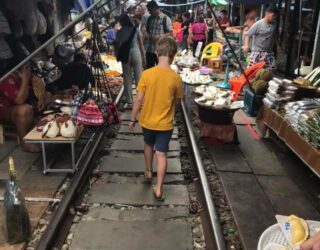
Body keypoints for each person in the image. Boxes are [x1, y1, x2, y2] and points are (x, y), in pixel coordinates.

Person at [129, 37, 183, 201]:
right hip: (165, 125)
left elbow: (138, 99)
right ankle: (159, 188)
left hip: (147, 121)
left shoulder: (147, 74)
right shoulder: (176, 78)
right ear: (173, 55)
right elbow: (178, 102)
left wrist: (132, 119)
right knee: (162, 155)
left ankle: (147, 171)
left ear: (156, 53)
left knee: (148, 144)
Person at [0, 65, 47, 152]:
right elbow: (19, 100)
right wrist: (25, 79)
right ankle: (24, 142)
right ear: (18, 70)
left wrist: (42, 98)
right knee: (24, 110)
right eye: (26, 68)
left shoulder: (30, 77)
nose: (29, 70)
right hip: (5, 110)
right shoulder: (7, 80)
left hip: (27, 107)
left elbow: (40, 90)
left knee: (49, 97)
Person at [115, 14, 145, 108]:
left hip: (126, 56)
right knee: (139, 77)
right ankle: (140, 100)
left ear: (122, 22)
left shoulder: (119, 32)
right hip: (136, 53)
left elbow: (117, 46)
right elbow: (141, 44)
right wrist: (144, 57)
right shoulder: (135, 29)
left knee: (127, 78)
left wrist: (117, 55)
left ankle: (130, 102)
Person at [242, 6, 278, 71]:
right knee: (252, 72)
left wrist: (278, 45)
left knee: (270, 71)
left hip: (269, 52)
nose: (274, 17)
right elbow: (247, 35)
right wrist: (246, 45)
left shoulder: (274, 24)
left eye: (276, 16)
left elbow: (273, 35)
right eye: (273, 15)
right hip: (257, 52)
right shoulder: (258, 24)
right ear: (267, 13)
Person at [144, 0, 172, 68]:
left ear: (155, 8)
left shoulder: (165, 19)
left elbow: (170, 33)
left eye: (150, 11)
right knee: (149, 70)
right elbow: (147, 30)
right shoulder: (149, 19)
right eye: (149, 11)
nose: (149, 13)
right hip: (150, 50)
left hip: (161, 51)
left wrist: (160, 37)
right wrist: (145, 34)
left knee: (161, 70)